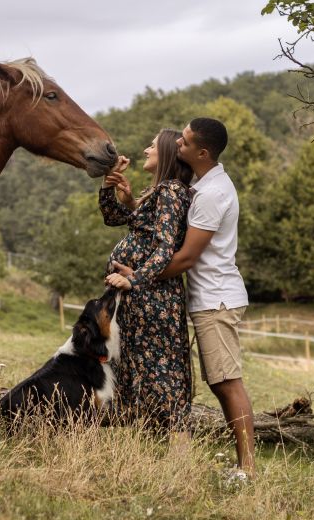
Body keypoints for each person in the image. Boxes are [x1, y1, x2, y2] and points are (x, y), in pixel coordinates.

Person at [112, 117, 254, 475]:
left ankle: (248, 468)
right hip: (208, 296)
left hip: (216, 298)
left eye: (185, 142)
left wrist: (138, 277)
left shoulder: (210, 195)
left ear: (202, 153)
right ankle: (242, 464)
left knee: (226, 382)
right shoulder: (205, 186)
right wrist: (130, 202)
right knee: (219, 381)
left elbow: (186, 256)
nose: (178, 144)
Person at [98, 129, 194, 432]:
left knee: (162, 373)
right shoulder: (159, 193)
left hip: (154, 297)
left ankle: (179, 447)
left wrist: (134, 280)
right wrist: (111, 188)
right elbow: (113, 217)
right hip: (141, 296)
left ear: (165, 153)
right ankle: (142, 435)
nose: (145, 150)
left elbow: (166, 247)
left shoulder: (171, 191)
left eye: (151, 146)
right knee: (135, 366)